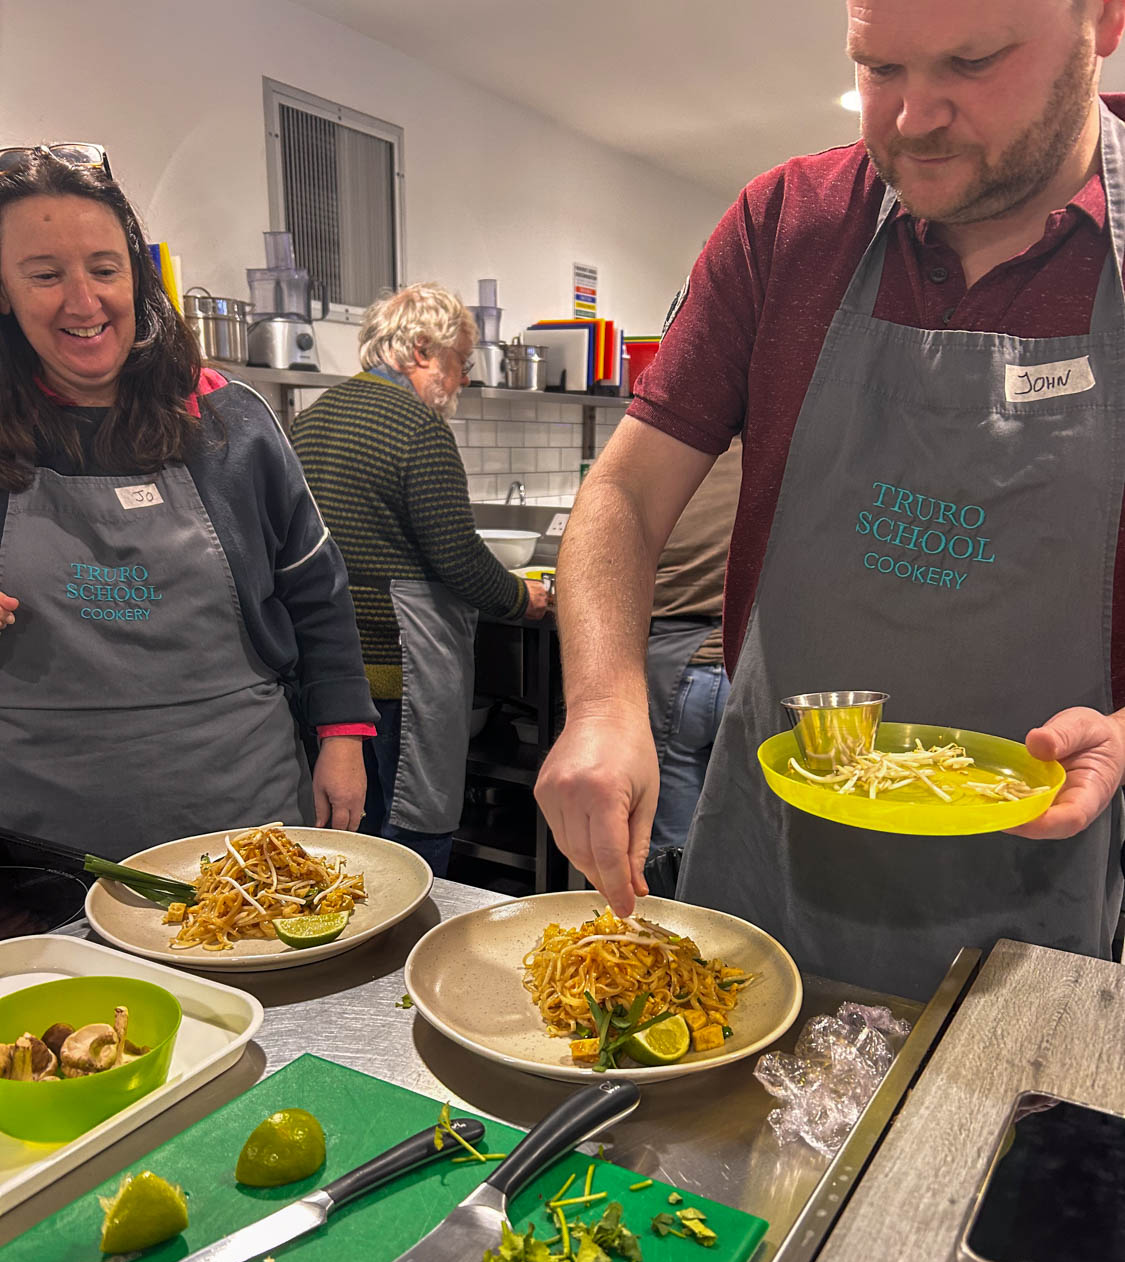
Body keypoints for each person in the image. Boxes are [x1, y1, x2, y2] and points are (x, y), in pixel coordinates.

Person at [536, 0, 1125, 1002]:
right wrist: (602, 704)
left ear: (1101, 20)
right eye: (878, 68)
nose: (912, 118)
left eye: (972, 62)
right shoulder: (789, 224)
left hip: (1033, 885)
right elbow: (625, 493)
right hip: (770, 863)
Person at [0, 145, 373, 861]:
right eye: (45, 275)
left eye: (104, 269)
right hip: (42, 841)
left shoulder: (231, 421)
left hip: (242, 815)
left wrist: (343, 737)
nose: (83, 302)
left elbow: (317, 594)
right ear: (4, 291)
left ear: (137, 276)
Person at [291, 283, 548, 876]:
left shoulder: (311, 419)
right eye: (460, 362)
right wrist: (522, 597)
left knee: (341, 839)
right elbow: (458, 558)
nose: (461, 380)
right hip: (398, 673)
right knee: (411, 837)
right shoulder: (418, 429)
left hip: (324, 677)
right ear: (422, 350)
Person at [647, 441, 740, 850]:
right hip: (747, 670)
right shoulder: (774, 460)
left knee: (672, 849)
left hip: (674, 670)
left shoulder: (663, 455)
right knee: (742, 842)